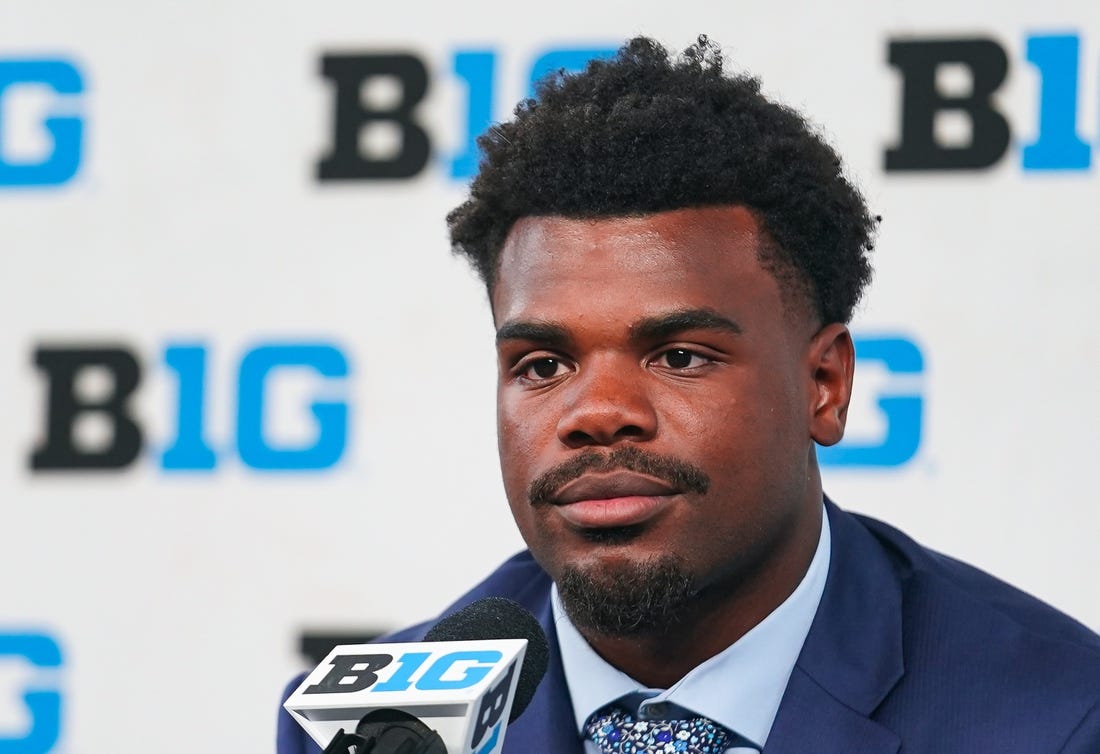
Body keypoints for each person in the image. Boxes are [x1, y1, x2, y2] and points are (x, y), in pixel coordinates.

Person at [278, 35, 1100, 753]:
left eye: (678, 355)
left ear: (824, 385)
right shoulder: (372, 731)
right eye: (542, 365)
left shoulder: (1056, 719)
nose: (596, 413)